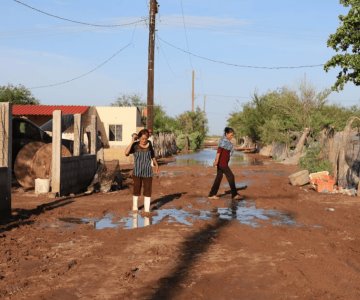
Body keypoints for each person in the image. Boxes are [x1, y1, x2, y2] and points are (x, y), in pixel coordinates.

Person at [125, 129, 159, 212]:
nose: (144, 140)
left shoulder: (149, 144)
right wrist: (132, 141)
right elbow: (126, 153)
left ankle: (147, 209)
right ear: (139, 138)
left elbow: (152, 155)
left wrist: (156, 164)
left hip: (148, 171)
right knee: (136, 189)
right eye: (142, 139)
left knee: (148, 190)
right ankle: (135, 207)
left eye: (146, 139)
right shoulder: (135, 145)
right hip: (137, 171)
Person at [208, 127, 243, 200]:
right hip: (222, 163)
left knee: (218, 178)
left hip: (223, 163)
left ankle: (212, 194)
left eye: (232, 135)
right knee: (231, 176)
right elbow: (219, 151)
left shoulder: (227, 142)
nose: (231, 136)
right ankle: (234, 195)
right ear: (226, 134)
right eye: (231, 135)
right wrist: (216, 161)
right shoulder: (223, 141)